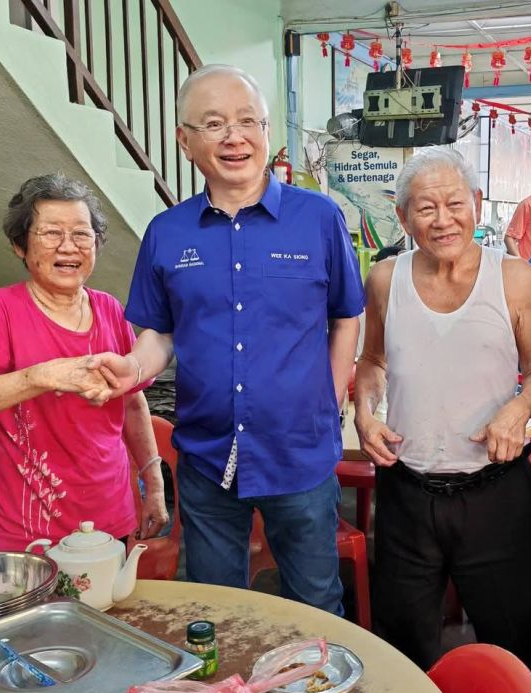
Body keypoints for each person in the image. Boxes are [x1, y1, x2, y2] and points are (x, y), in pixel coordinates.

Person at [88, 65, 364, 615]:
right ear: (184, 140)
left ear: (266, 131)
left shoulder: (319, 218)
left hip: (299, 453)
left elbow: (346, 317)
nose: (234, 137)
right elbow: (160, 333)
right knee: (214, 609)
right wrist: (132, 368)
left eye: (247, 121)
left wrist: (329, 401)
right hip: (207, 457)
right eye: (213, 124)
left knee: (314, 605)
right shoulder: (167, 232)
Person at [355, 148, 531, 693]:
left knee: (516, 648)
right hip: (407, 493)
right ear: (404, 218)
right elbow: (372, 361)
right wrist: (365, 413)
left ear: (477, 204)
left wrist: (517, 410)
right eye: (426, 208)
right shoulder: (385, 278)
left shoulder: (515, 278)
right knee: (403, 650)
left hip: (495, 494)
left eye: (454, 204)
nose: (442, 220)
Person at [0, 173, 168, 553]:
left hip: (103, 520)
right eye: (50, 233)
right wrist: (41, 376)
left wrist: (154, 483)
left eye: (81, 234)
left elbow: (131, 402)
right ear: (20, 245)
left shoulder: (110, 309)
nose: (68, 247)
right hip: (10, 530)